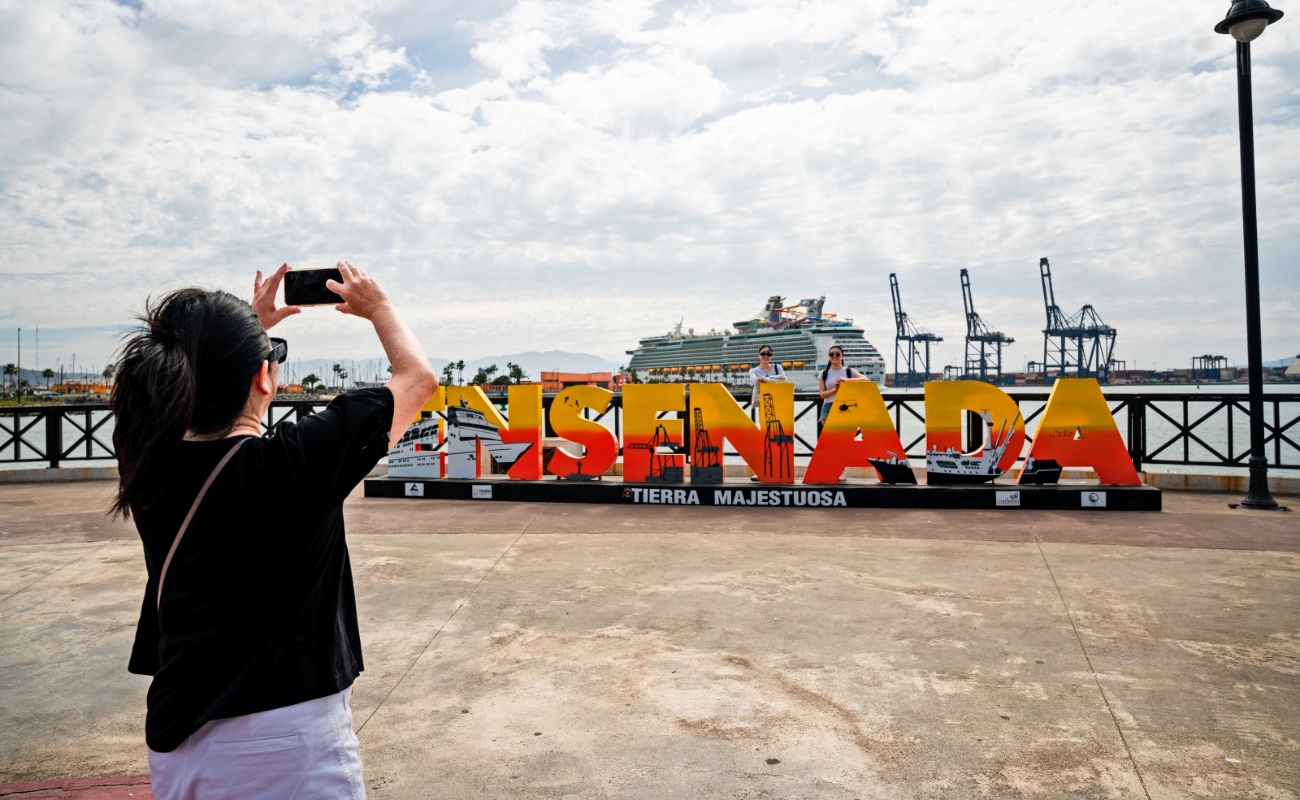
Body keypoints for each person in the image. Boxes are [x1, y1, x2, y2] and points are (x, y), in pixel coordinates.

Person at [111, 262, 436, 800]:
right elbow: (416, 379)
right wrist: (378, 307)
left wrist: (247, 333)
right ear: (263, 377)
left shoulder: (145, 465)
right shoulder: (291, 465)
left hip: (176, 740)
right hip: (281, 747)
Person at [816, 345, 867, 435]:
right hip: (828, 405)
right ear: (829, 357)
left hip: (844, 404)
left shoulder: (848, 371)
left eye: (837, 354)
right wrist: (835, 389)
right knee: (831, 434)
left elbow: (865, 379)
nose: (834, 356)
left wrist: (847, 380)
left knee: (843, 434)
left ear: (842, 356)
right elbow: (822, 394)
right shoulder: (823, 373)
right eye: (832, 354)